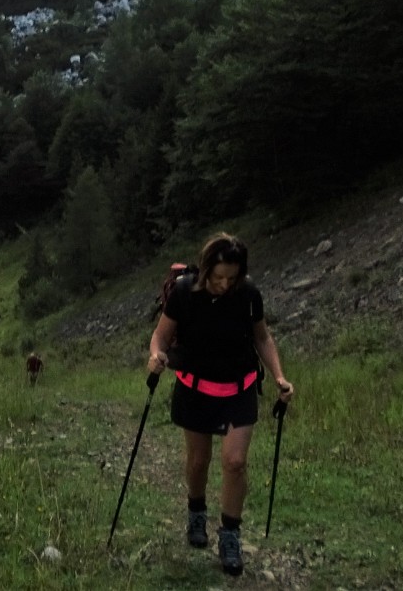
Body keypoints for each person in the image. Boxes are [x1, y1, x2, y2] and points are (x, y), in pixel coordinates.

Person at [146, 232, 294, 578]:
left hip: (239, 388)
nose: (224, 284)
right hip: (195, 388)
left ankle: (230, 535)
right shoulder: (184, 292)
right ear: (206, 269)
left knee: (235, 462)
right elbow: (161, 335)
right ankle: (196, 513)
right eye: (218, 277)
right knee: (198, 462)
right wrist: (156, 355)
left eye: (232, 277)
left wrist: (279, 377)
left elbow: (262, 337)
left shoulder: (248, 294)